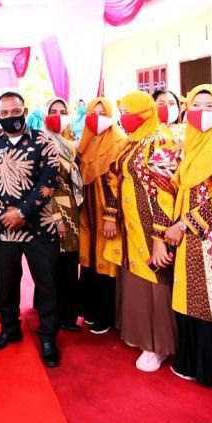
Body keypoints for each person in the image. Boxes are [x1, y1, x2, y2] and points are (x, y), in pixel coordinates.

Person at [164, 85, 212, 387]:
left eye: (210, 106)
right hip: (190, 237)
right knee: (190, 298)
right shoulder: (191, 143)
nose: (202, 112)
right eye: (196, 105)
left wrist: (182, 225)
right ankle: (190, 361)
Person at [0, 91, 61, 367]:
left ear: (24, 111)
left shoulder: (43, 141)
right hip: (3, 227)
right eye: (4, 113)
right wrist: (5, 214)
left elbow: (49, 181)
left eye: (15, 112)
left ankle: (48, 336)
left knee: (46, 282)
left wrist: (23, 212)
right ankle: (9, 328)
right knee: (6, 282)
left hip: (40, 225)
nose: (10, 117)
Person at [106, 91, 181, 373]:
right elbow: (116, 179)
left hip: (151, 225)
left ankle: (158, 345)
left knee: (155, 277)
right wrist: (111, 215)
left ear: (145, 111)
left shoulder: (161, 140)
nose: (124, 116)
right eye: (122, 111)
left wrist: (159, 237)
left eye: (129, 111)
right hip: (132, 225)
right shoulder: (133, 141)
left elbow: (165, 191)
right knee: (136, 276)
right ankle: (141, 335)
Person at [77, 97, 128, 335]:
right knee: (88, 259)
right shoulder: (85, 141)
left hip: (106, 215)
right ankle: (89, 309)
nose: (97, 118)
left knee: (106, 262)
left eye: (102, 113)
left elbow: (117, 184)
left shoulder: (119, 141)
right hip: (87, 214)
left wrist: (110, 216)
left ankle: (105, 316)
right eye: (93, 113)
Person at [42, 98, 84, 331]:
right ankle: (55, 315)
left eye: (63, 111)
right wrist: (57, 218)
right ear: (44, 114)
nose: (58, 115)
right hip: (52, 211)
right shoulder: (40, 143)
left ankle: (67, 314)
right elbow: (44, 186)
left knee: (69, 263)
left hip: (72, 210)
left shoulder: (70, 145)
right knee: (53, 264)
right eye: (53, 111)